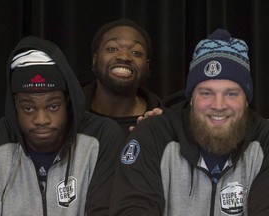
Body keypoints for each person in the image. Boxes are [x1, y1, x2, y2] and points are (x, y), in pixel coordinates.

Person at [109, 29, 269, 216]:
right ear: (191, 98)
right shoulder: (152, 134)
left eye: (231, 93)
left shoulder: (265, 139)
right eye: (206, 93)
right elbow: (132, 208)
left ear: (246, 100)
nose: (218, 105)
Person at [0, 36, 125, 215]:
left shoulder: (102, 137)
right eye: (28, 108)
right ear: (15, 104)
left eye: (53, 106)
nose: (41, 119)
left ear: (67, 101)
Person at [83, 19, 162, 137]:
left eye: (136, 52)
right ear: (95, 59)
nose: (124, 57)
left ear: (147, 65)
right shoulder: (70, 111)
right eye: (112, 49)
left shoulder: (161, 120)